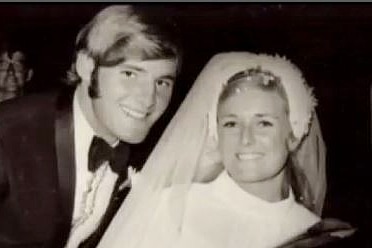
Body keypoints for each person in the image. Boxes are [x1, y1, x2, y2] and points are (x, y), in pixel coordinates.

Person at [98, 52, 355, 248]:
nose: (246, 139)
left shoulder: (313, 231)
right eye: (231, 124)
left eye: (264, 123)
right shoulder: (171, 208)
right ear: (216, 133)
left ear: (293, 134)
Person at [0, 5, 181, 248]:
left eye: (162, 82)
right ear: (87, 67)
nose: (149, 99)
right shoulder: (10, 132)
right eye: (130, 74)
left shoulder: (156, 153)